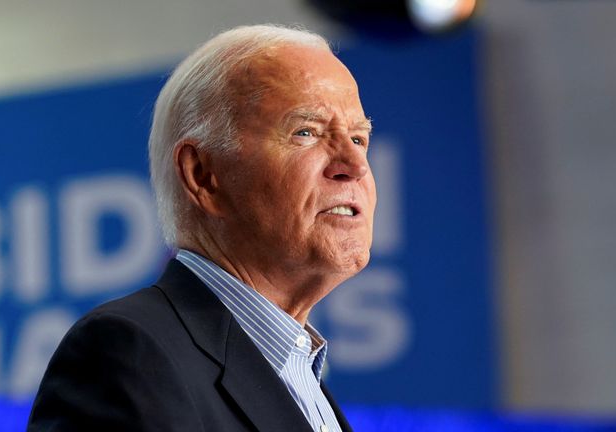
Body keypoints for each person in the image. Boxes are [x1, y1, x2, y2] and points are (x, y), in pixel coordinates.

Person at [28, 23, 375, 432]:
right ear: (203, 174)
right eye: (306, 133)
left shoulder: (301, 376)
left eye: (357, 138)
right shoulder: (129, 353)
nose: (354, 166)